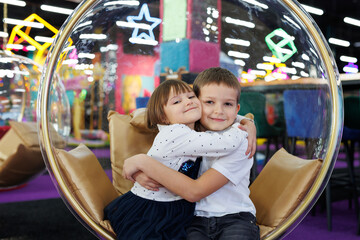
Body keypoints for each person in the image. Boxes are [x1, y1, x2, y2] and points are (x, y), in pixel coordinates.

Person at [104, 79, 252, 240]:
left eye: (191, 97)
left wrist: (245, 120)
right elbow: (226, 143)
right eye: (177, 101)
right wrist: (243, 129)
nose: (187, 102)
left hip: (172, 207)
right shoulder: (176, 132)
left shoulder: (192, 132)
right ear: (163, 116)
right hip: (151, 208)